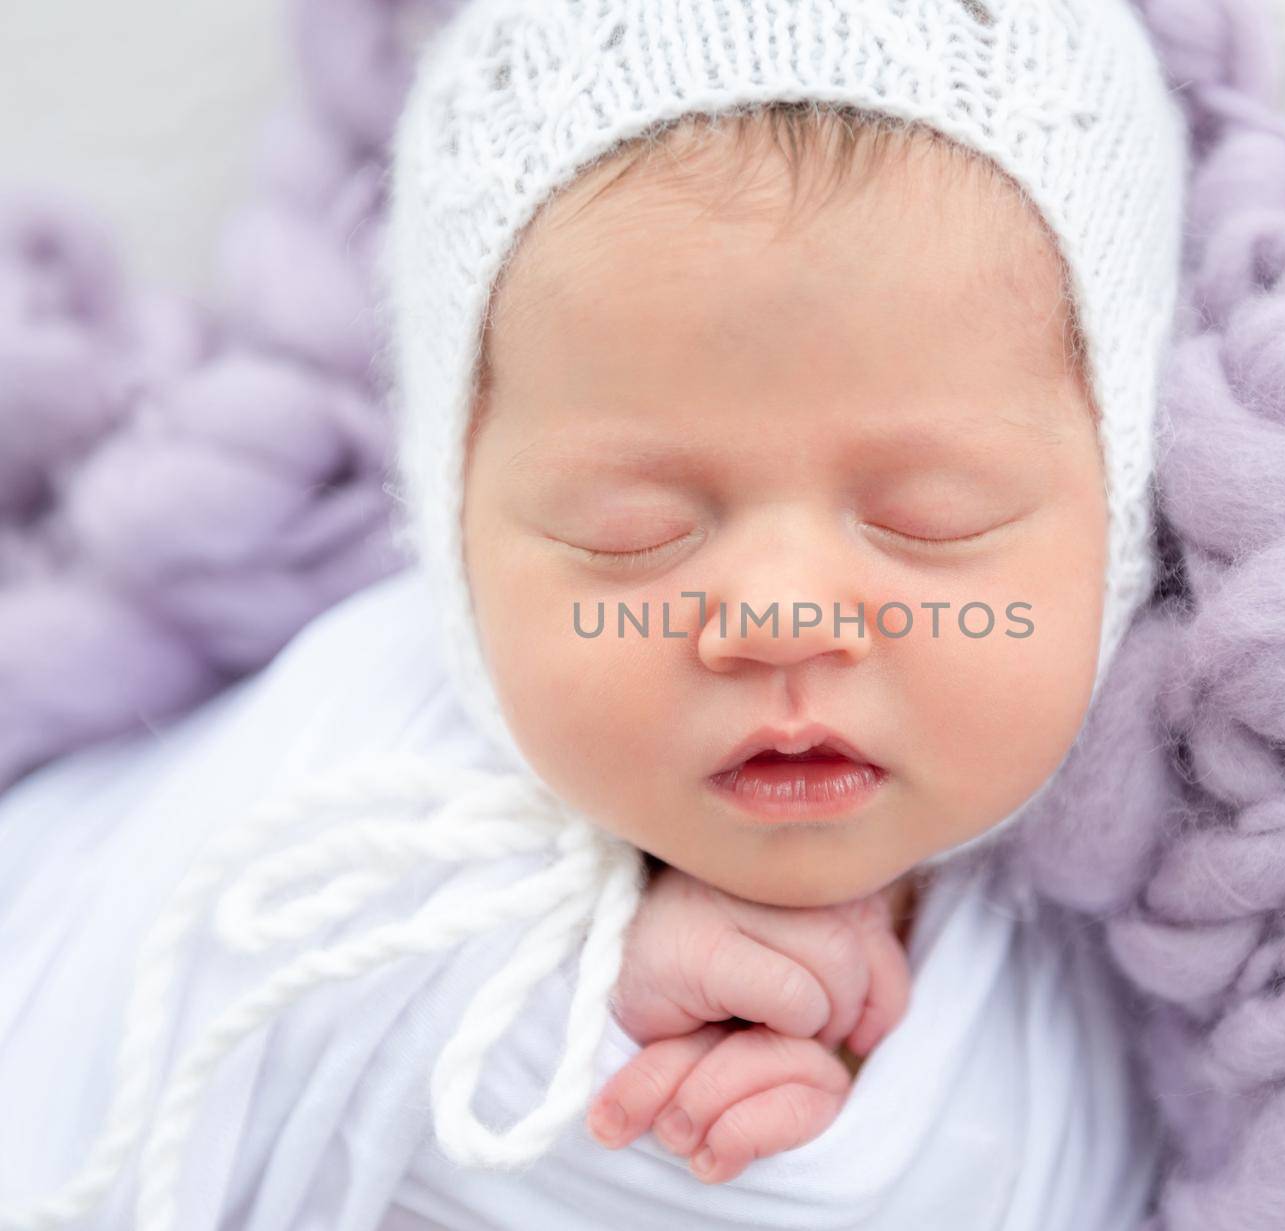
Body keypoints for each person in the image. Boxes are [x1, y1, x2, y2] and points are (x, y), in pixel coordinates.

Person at [0, 0, 1186, 1227]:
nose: (779, 618)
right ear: (455, 535)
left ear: (1117, 513)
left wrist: (830, 1063)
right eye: (633, 531)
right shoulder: (344, 810)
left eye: (930, 517)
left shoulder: (1138, 942)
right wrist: (572, 978)